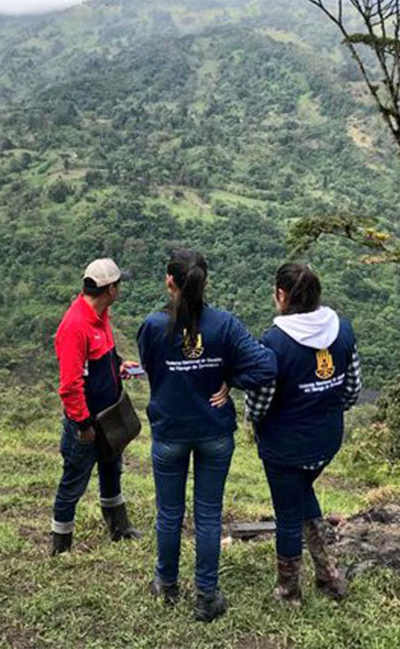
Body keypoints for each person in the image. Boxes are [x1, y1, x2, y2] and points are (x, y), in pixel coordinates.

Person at [136, 249, 276, 622]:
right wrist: (230, 379)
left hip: (169, 430)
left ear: (170, 282)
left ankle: (166, 586)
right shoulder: (224, 324)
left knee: (169, 513)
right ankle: (205, 596)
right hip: (214, 431)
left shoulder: (152, 326)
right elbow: (266, 365)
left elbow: (152, 369)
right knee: (209, 516)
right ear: (205, 282)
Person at [245, 262, 361, 604]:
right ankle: (328, 575)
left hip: (285, 446)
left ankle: (288, 590)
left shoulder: (275, 341)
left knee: (287, 515)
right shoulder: (343, 330)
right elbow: (353, 389)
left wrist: (252, 420)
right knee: (301, 492)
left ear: (282, 295)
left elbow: (259, 402)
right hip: (326, 440)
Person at [49, 257, 142, 554]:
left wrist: (118, 365)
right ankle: (60, 545)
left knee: (112, 469)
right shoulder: (75, 326)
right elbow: (70, 384)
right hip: (88, 423)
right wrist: (83, 425)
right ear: (110, 289)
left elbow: (101, 360)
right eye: (119, 284)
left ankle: (119, 528)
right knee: (73, 481)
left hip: (109, 417)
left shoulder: (102, 316)